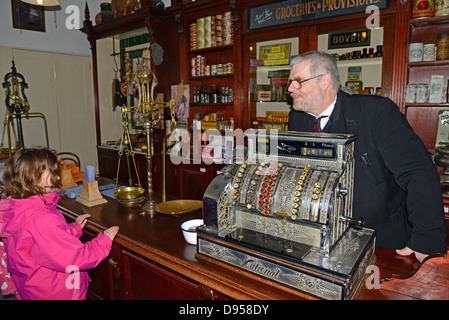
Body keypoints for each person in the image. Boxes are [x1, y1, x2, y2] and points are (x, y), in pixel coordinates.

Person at [287, 51, 447, 262]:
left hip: (380, 241)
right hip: (323, 238)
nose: (290, 88)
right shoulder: (297, 119)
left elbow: (418, 172)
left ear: (324, 81)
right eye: (290, 82)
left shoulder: (375, 112)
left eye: (298, 81)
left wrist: (427, 238)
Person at [0, 147, 119, 300]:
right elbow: (74, 258)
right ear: (32, 179)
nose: (57, 178)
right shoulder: (41, 218)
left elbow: (39, 243)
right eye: (52, 173)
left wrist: (73, 229)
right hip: (56, 291)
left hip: (32, 286)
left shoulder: (16, 208)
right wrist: (103, 242)